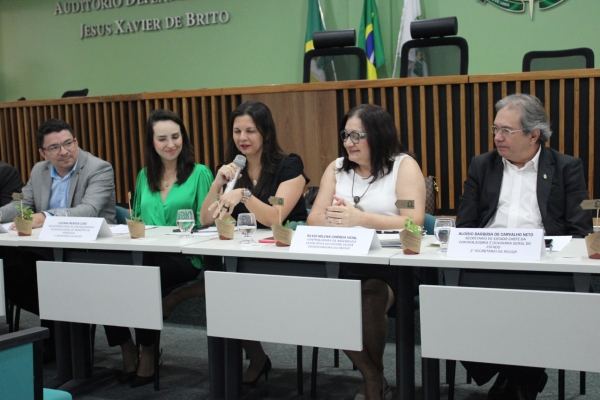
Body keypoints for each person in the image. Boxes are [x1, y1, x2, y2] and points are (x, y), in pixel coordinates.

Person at [456, 93, 592, 400]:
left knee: (532, 302)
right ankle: (523, 376)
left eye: (506, 131)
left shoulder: (566, 167)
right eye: (495, 129)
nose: (497, 137)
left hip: (543, 266)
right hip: (487, 262)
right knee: (452, 299)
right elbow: (465, 226)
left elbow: (579, 231)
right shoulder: (482, 165)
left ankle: (514, 380)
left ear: (535, 135)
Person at [307, 103, 426, 400]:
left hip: (392, 264)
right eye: (346, 135)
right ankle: (374, 376)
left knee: (369, 300)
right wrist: (338, 219)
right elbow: (313, 218)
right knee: (314, 301)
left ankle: (372, 383)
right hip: (343, 260)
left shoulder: (403, 165)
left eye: (357, 135)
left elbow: (413, 222)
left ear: (378, 135)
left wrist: (360, 219)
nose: (349, 142)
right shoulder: (336, 168)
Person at [200, 100, 309, 386]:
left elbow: (276, 216)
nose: (242, 138)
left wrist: (244, 195)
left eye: (250, 131)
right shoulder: (232, 170)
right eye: (237, 131)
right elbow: (205, 219)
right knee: (224, 290)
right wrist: (218, 183)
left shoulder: (289, 165)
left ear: (265, 133)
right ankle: (256, 356)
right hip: (245, 254)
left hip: (285, 253)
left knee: (234, 289)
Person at [103, 109, 213, 388]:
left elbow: (208, 222)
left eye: (175, 137)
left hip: (186, 255)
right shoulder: (144, 176)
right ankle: (127, 347)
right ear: (152, 143)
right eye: (162, 139)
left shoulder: (199, 173)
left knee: (142, 278)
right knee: (107, 275)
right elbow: (137, 218)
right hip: (147, 252)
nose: (170, 144)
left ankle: (149, 353)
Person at [0, 118, 116, 360]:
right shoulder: (39, 170)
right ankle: (58, 329)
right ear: (43, 153)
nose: (64, 152)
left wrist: (46, 216)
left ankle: (64, 334)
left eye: (68, 143)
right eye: (54, 147)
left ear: (76, 141)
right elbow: (22, 204)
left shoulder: (98, 168)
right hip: (47, 248)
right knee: (8, 265)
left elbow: (89, 210)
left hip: (89, 249)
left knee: (35, 270)